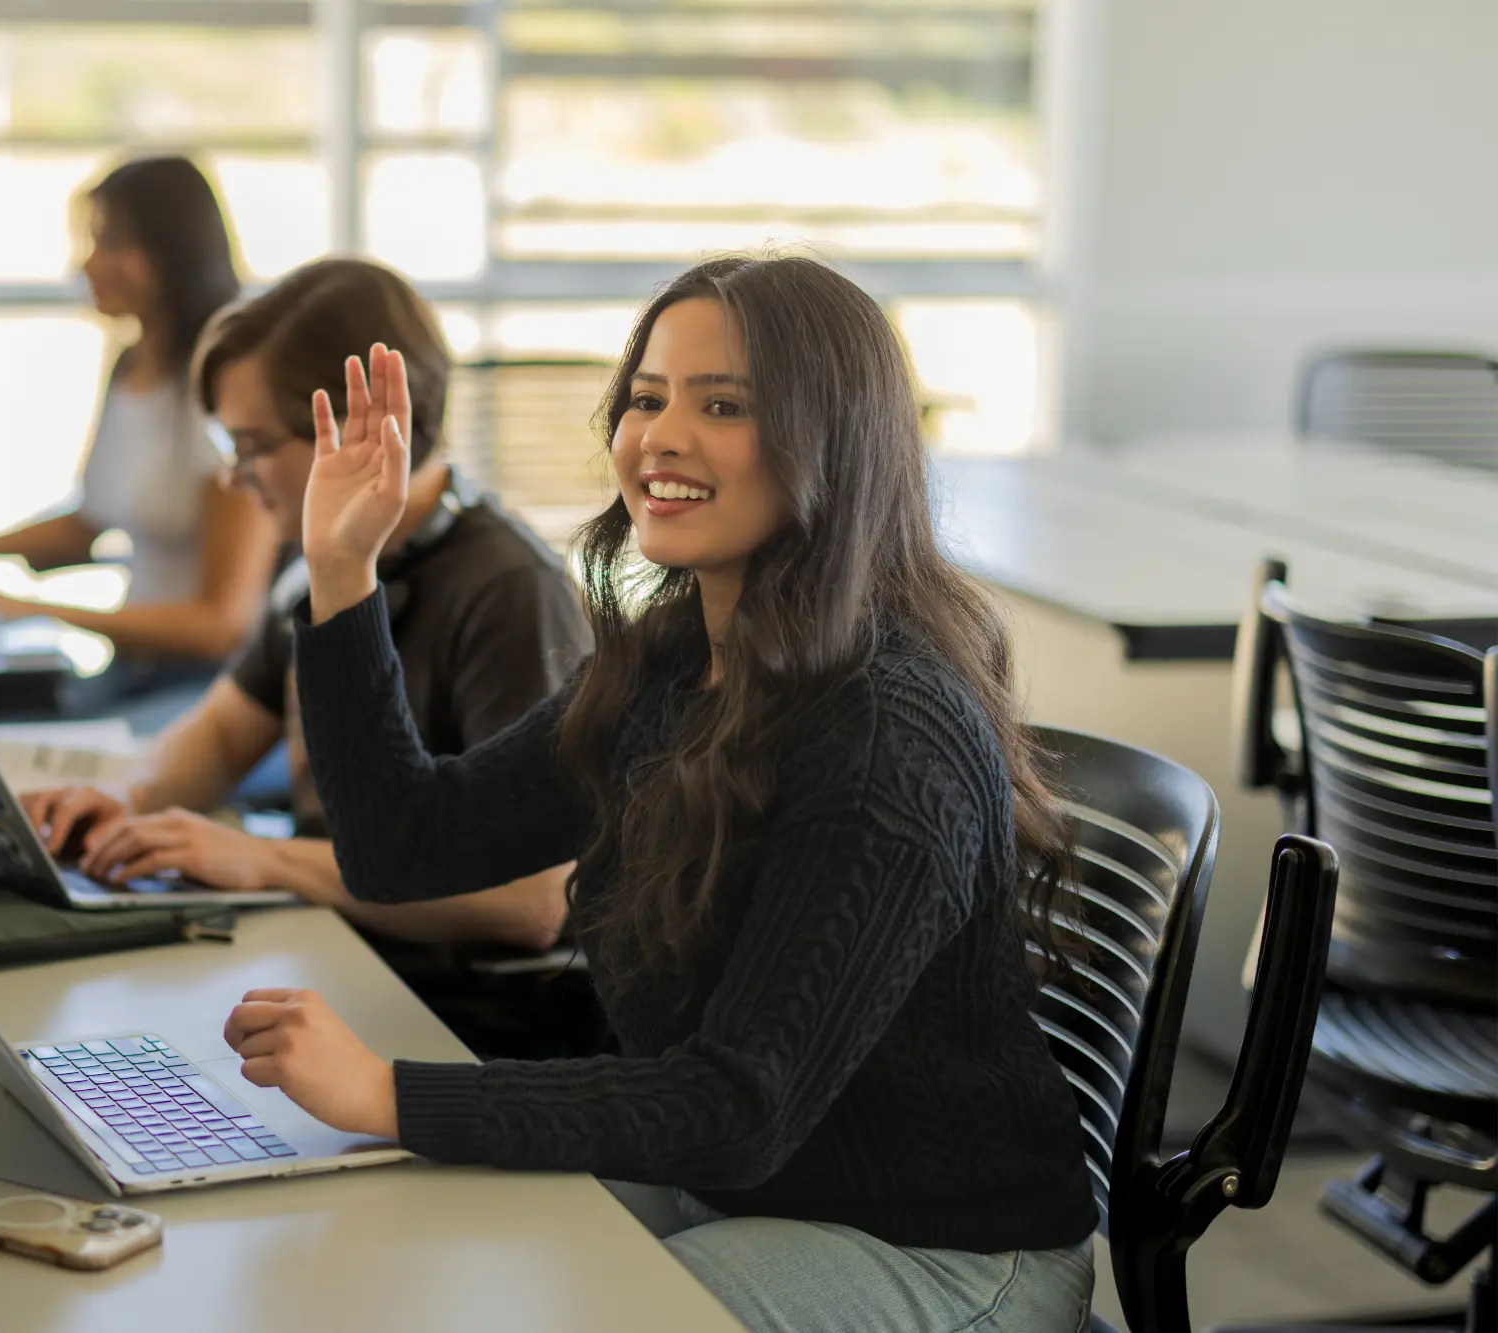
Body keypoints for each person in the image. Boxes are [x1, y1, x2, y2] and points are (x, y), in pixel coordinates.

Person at [217, 257, 1100, 1331]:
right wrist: (342, 570)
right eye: (644, 398)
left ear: (831, 442)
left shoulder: (883, 737)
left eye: (721, 405)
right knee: (404, 1259)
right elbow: (401, 846)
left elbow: (739, 1104)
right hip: (737, 1185)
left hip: (936, 1247)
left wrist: (389, 1092)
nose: (659, 437)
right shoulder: (669, 663)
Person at [22, 258, 593, 1054]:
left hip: (464, 1021)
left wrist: (265, 860)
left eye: (252, 446)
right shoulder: (312, 570)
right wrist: (122, 800)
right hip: (341, 959)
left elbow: (528, 902)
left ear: (361, 436)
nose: (233, 476)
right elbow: (223, 733)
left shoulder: (508, 590)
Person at [0, 157, 280, 719]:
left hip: (208, 689)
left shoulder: (224, 391)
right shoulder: (134, 366)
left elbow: (222, 625)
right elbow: (84, 529)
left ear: (172, 252)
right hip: (130, 671)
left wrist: (17, 605)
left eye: (110, 243)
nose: (87, 263)